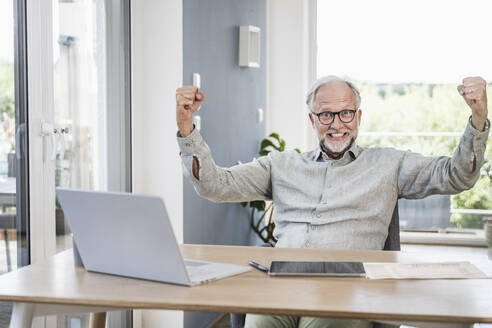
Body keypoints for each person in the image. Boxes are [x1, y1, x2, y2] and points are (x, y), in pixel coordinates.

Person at [175, 76, 489, 328]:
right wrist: (187, 128)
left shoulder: (389, 164)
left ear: (359, 116)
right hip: (280, 287)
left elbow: (456, 176)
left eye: (346, 113)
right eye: (326, 114)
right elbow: (215, 185)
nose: (336, 124)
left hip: (347, 289)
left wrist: (477, 118)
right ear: (312, 119)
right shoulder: (281, 165)